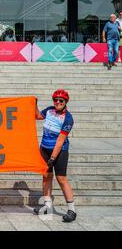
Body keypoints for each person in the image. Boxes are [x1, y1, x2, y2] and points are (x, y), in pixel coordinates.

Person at [33, 89, 76, 222]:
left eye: (61, 100)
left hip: (59, 151)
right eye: (55, 100)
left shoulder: (68, 118)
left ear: (65, 102)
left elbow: (60, 140)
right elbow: (38, 116)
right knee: (46, 177)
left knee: (61, 179)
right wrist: (34, 103)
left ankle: (72, 210)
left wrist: (52, 158)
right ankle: (47, 206)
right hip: (44, 148)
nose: (57, 102)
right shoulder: (50, 110)